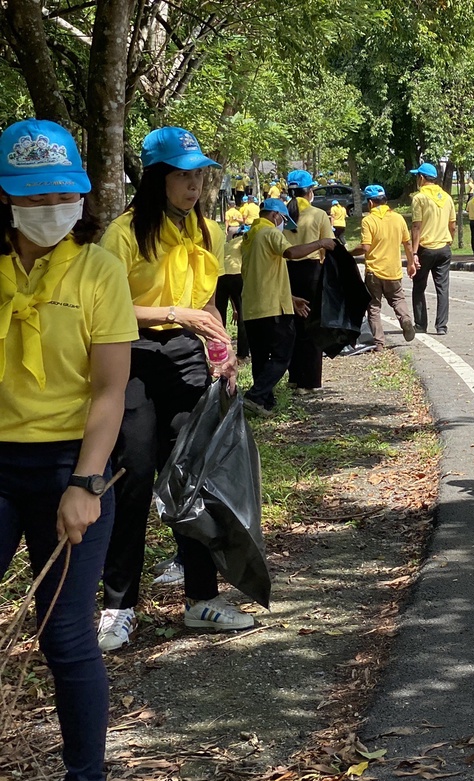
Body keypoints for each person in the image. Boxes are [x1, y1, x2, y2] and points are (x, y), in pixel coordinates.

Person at [0, 119, 137, 781]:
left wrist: (86, 481)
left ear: (79, 194)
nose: (48, 206)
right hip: (0, 458)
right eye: (32, 196)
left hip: (70, 464)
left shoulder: (96, 269)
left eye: (61, 194)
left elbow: (110, 390)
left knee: (64, 635)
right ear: (5, 197)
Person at [97, 127, 246, 651]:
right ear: (158, 178)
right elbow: (108, 310)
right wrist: (172, 312)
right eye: (183, 175)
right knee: (133, 480)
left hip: (187, 357)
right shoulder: (122, 235)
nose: (194, 184)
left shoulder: (209, 232)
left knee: (190, 480)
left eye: (199, 174)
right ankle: (119, 606)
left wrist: (222, 353)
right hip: (132, 356)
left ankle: (202, 599)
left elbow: (206, 305)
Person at [240, 198, 335, 414]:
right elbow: (290, 253)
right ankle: (255, 395)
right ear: (275, 216)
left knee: (261, 358)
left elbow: (260, 275)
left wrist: (290, 297)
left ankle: (264, 402)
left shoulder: (248, 237)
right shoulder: (270, 233)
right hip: (272, 308)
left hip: (253, 307)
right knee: (284, 354)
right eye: (283, 220)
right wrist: (320, 243)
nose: (283, 226)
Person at [347, 184, 417, 349]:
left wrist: (349, 252)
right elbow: (407, 243)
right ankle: (405, 320)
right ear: (385, 199)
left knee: (373, 306)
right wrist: (411, 263)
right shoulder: (398, 218)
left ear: (370, 203)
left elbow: (365, 247)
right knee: (398, 299)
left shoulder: (368, 220)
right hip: (393, 270)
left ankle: (379, 343)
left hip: (374, 272)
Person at [284, 169, 333, 394]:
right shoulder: (318, 214)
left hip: (286, 272)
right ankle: (309, 381)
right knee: (312, 326)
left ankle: (293, 377)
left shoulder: (281, 214)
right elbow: (329, 246)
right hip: (312, 272)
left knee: (291, 325)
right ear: (310, 191)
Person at [409, 162, 454, 335]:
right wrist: (448, 241)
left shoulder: (419, 198)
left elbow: (416, 227)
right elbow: (453, 225)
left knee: (419, 286)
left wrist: (414, 253)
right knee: (442, 288)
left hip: (425, 248)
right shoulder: (447, 197)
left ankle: (421, 324)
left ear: (421, 178)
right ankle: (441, 326)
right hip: (444, 248)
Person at [216, 215, 247, 360]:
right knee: (243, 315)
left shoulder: (227, 245)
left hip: (220, 277)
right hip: (236, 275)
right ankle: (242, 353)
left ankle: (219, 350)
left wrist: (232, 307)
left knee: (219, 315)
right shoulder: (245, 242)